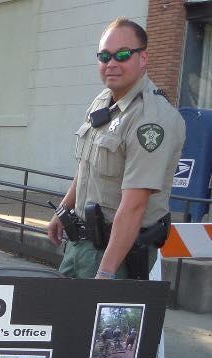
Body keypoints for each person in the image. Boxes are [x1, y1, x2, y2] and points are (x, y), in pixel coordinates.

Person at [47, 17, 185, 279]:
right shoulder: (103, 101)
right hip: (79, 244)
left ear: (143, 59)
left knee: (96, 320)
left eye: (122, 55)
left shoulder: (151, 120)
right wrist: (62, 211)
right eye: (104, 55)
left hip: (116, 255)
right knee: (62, 318)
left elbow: (134, 206)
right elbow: (87, 167)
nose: (111, 63)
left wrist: (106, 273)